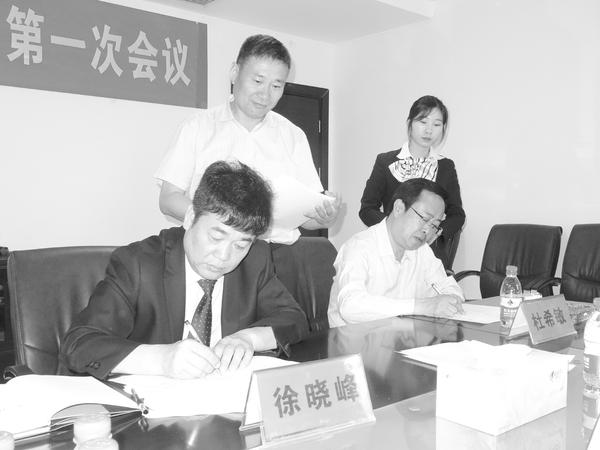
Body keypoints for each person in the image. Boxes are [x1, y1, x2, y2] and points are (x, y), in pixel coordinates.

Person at [60, 161, 309, 380]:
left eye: (240, 245)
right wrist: (162, 359)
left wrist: (247, 339)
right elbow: (79, 344)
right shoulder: (138, 264)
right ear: (190, 217)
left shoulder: (255, 260)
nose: (224, 256)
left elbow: (294, 319)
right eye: (216, 237)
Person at [155, 34, 341, 244]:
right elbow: (168, 199)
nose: (265, 95)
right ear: (234, 73)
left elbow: (307, 218)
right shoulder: (197, 127)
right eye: (258, 81)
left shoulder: (293, 136)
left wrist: (323, 217)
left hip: (276, 253)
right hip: (213, 246)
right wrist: (222, 221)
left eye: (276, 86)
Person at [328, 178, 464, 328]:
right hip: (354, 339)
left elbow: (449, 288)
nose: (427, 230)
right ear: (398, 208)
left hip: (402, 336)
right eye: (425, 219)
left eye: (434, 225)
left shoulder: (422, 250)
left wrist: (450, 300)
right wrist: (421, 306)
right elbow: (350, 306)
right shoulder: (359, 247)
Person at [359, 95, 465, 270]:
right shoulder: (386, 161)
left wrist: (435, 232)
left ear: (443, 128)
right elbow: (367, 209)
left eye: (437, 124)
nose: (429, 130)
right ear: (410, 123)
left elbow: (457, 215)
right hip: (390, 250)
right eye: (423, 122)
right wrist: (395, 230)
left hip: (429, 252)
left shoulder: (446, 166)